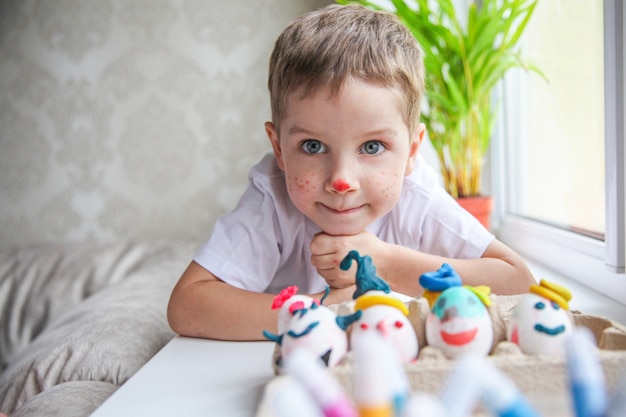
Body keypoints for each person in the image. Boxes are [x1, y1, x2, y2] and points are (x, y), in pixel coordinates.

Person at [167, 4, 535, 341]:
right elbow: (187, 306)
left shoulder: (416, 197)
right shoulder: (273, 197)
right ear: (279, 149)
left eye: (372, 147)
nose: (341, 181)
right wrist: (324, 308)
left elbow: (518, 283)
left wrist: (387, 262)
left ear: (411, 151)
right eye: (313, 146)